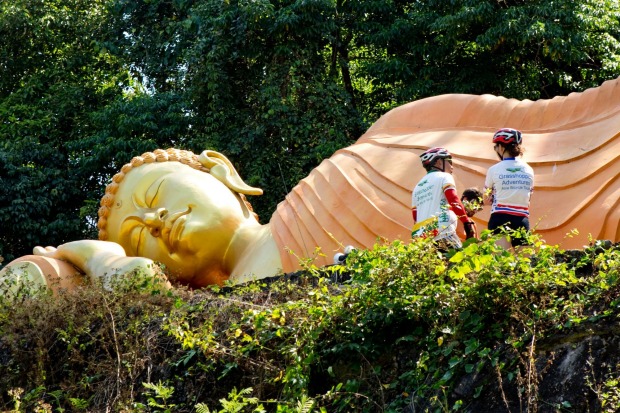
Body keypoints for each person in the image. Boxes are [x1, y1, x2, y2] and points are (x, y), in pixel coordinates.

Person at [411, 147, 476, 250]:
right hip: (444, 233)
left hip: (423, 240)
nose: (452, 167)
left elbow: (415, 217)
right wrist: (467, 223)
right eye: (449, 161)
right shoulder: (444, 177)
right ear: (438, 162)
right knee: (460, 262)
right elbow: (454, 201)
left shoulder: (417, 187)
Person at [484, 128, 535, 249]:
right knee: (525, 263)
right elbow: (528, 198)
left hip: (499, 217)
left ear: (501, 147)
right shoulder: (529, 169)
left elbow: (486, 198)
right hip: (522, 218)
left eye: (496, 147)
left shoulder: (494, 169)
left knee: (500, 262)